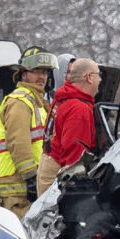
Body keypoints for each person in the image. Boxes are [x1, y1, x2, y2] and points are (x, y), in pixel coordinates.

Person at [0, 46, 54, 217]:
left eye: (45, 72)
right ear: (23, 74)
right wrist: (31, 178)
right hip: (16, 187)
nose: (42, 77)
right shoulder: (19, 101)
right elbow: (19, 143)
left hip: (29, 184)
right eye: (36, 71)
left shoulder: (39, 103)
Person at [38, 56, 105, 197]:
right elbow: (75, 157)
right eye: (98, 75)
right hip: (59, 178)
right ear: (89, 78)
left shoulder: (63, 99)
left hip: (48, 171)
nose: (100, 80)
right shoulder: (79, 108)